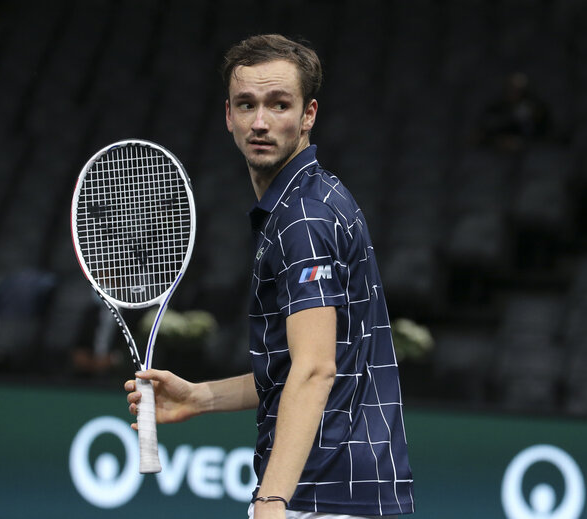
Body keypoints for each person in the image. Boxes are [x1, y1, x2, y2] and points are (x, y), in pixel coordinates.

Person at [125, 34, 414, 518]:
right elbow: (308, 366)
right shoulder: (312, 200)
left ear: (308, 115)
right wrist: (201, 396)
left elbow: (315, 369)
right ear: (228, 117)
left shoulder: (303, 219)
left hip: (322, 496)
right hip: (350, 494)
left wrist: (272, 498)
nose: (260, 122)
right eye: (247, 104)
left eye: (279, 105)